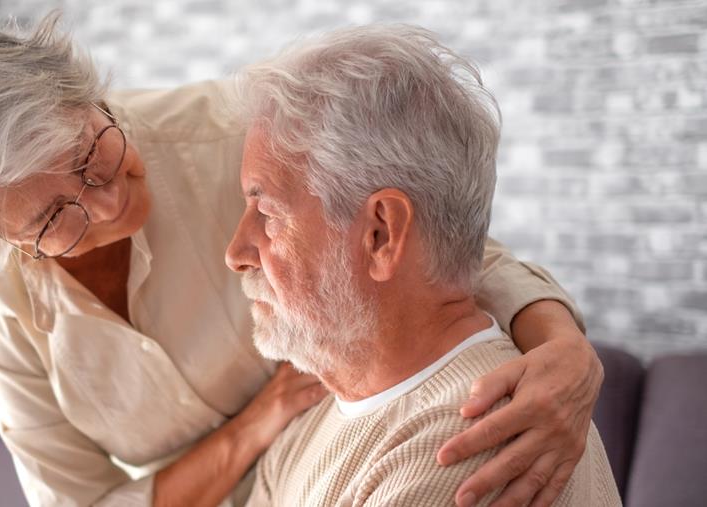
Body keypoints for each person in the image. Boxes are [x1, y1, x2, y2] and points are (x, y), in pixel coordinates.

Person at [0, 13, 604, 507]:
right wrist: (253, 426)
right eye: (56, 216)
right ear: (5, 244)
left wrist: (563, 347)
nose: (109, 203)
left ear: (84, 94)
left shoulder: (234, 134)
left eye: (93, 153)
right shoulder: (12, 321)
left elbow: (428, 239)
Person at [224, 24, 620, 507]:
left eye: (266, 215)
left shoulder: (470, 441)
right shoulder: (312, 425)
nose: (236, 253)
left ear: (381, 235)